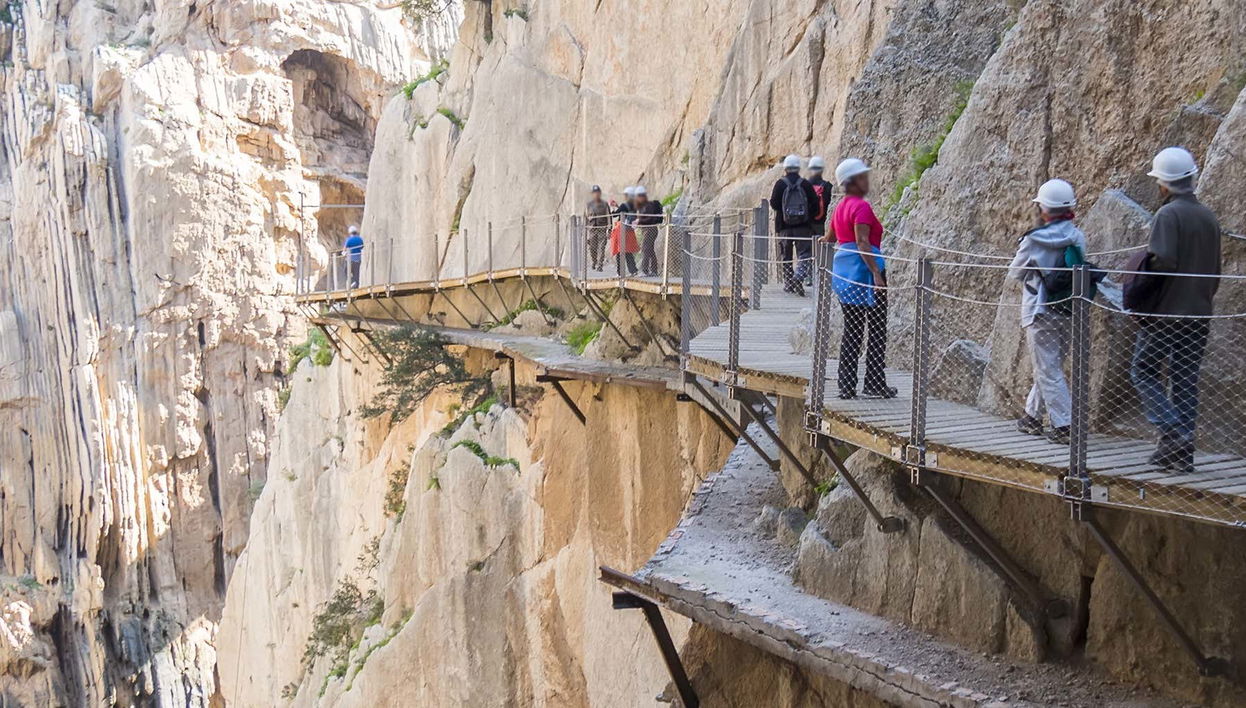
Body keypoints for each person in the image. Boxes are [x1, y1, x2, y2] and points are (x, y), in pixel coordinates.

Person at [1130, 147, 1221, 473]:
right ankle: (1181, 456)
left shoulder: (1168, 216)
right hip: (1199, 312)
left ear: (1164, 184)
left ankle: (1173, 433)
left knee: (1143, 370)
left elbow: (1163, 259)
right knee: (1184, 379)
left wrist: (1139, 290)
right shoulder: (1208, 217)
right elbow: (1216, 269)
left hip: (1167, 313)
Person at [1009, 179, 1086, 446]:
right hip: (1069, 309)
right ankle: (1031, 416)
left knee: (1048, 368)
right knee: (1049, 366)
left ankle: (1065, 425)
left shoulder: (1033, 240)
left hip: (1040, 311)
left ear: (1044, 209)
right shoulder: (1077, 236)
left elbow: (1016, 272)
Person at [825, 158, 895, 399]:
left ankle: (846, 385)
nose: (867, 181)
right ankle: (874, 383)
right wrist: (876, 273)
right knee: (876, 328)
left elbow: (830, 238)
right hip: (865, 272)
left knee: (852, 329)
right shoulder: (861, 208)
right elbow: (863, 241)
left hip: (844, 275)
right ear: (852, 182)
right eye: (863, 177)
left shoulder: (840, 207)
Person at [768, 154, 819, 295]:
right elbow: (815, 204)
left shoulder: (780, 184)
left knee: (786, 256)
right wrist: (808, 217)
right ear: (798, 169)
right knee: (805, 254)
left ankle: (789, 283)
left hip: (784, 227)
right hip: (803, 226)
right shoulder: (805, 184)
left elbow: (774, 203)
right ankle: (799, 277)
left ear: (785, 169)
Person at [806, 156, 832, 287]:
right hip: (822, 223)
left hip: (806, 224)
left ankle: (809, 277)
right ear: (822, 170)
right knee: (822, 250)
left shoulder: (804, 185)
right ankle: (821, 277)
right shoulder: (828, 186)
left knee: (807, 250)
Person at [634, 186, 665, 277]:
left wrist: (639, 221)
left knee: (645, 249)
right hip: (646, 229)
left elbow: (650, 218)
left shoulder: (648, 205)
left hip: (650, 229)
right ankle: (654, 271)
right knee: (650, 250)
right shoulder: (643, 206)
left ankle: (645, 270)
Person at [612, 187, 639, 276]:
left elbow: (615, 215)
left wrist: (613, 208)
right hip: (629, 230)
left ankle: (620, 272)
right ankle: (633, 270)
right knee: (628, 251)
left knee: (619, 251)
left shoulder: (624, 205)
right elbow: (625, 211)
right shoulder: (634, 205)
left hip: (621, 230)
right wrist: (617, 206)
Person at [585, 185, 611, 271]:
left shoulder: (604, 204)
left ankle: (600, 266)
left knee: (601, 248)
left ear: (600, 193)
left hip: (602, 228)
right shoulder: (588, 205)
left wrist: (609, 229)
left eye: (598, 193)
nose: (596, 194)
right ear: (592, 194)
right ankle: (594, 261)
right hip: (592, 229)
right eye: (594, 193)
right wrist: (585, 229)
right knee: (592, 248)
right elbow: (585, 217)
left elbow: (608, 216)